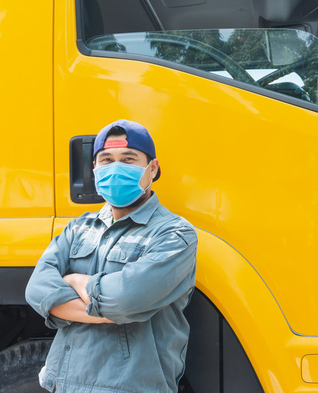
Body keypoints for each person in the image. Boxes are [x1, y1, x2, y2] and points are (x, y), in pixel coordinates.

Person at [25, 119, 198, 393]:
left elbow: (125, 300)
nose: (115, 168)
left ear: (152, 168)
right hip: (60, 384)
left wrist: (75, 281)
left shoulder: (174, 234)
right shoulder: (79, 227)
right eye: (106, 160)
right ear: (95, 169)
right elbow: (37, 290)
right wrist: (109, 313)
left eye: (128, 159)